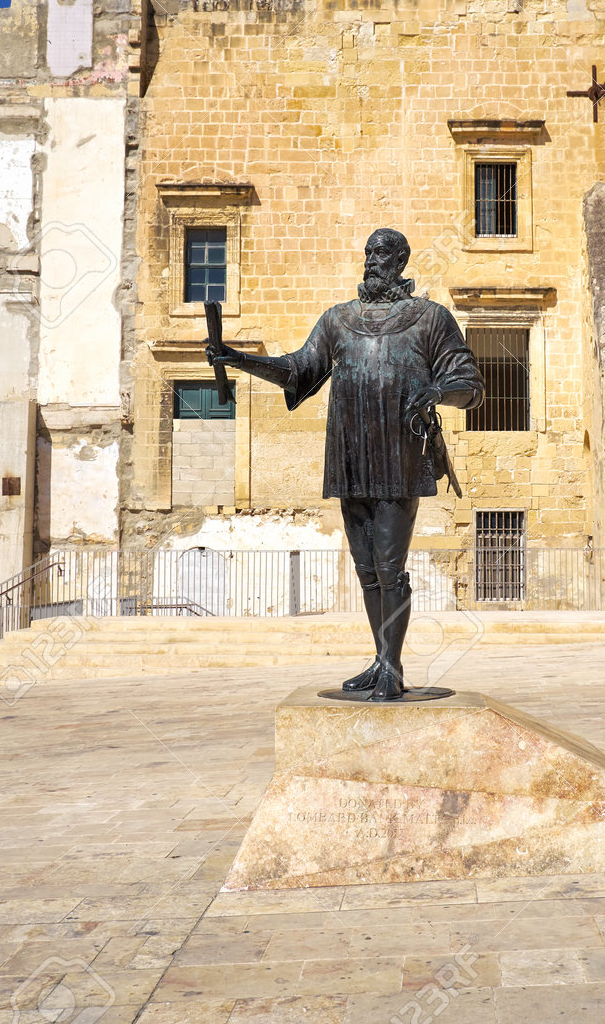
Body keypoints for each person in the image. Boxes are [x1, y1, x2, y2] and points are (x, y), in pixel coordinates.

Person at [206, 227, 484, 700]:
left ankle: (392, 669)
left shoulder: (430, 319)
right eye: (368, 252)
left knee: (391, 568)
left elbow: (469, 383)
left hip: (399, 454)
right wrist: (238, 359)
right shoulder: (337, 321)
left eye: (383, 253)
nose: (372, 260)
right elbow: (299, 369)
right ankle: (380, 660)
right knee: (367, 570)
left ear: (400, 261)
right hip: (350, 453)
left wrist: (437, 391)